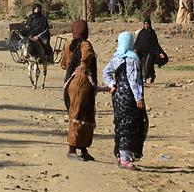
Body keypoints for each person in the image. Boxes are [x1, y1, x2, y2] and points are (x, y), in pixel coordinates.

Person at [103, 31, 148, 171]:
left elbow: (105, 72)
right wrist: (138, 97)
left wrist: (112, 84)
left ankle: (120, 154)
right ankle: (125, 159)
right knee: (130, 125)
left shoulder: (116, 58)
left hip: (117, 97)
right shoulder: (132, 58)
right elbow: (134, 80)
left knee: (120, 124)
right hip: (129, 96)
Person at [61, 19, 98, 161]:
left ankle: (83, 149)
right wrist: (83, 65)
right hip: (83, 83)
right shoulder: (85, 44)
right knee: (79, 115)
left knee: (80, 114)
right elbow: (88, 56)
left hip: (71, 82)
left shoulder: (69, 44)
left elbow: (64, 64)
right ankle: (72, 150)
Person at [133, 17, 169, 83]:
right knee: (142, 65)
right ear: (143, 24)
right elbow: (138, 42)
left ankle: (145, 78)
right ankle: (152, 75)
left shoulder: (152, 33)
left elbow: (155, 44)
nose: (146, 26)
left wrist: (160, 52)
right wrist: (135, 49)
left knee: (147, 65)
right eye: (145, 24)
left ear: (150, 24)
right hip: (141, 52)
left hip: (150, 52)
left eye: (147, 24)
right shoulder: (141, 32)